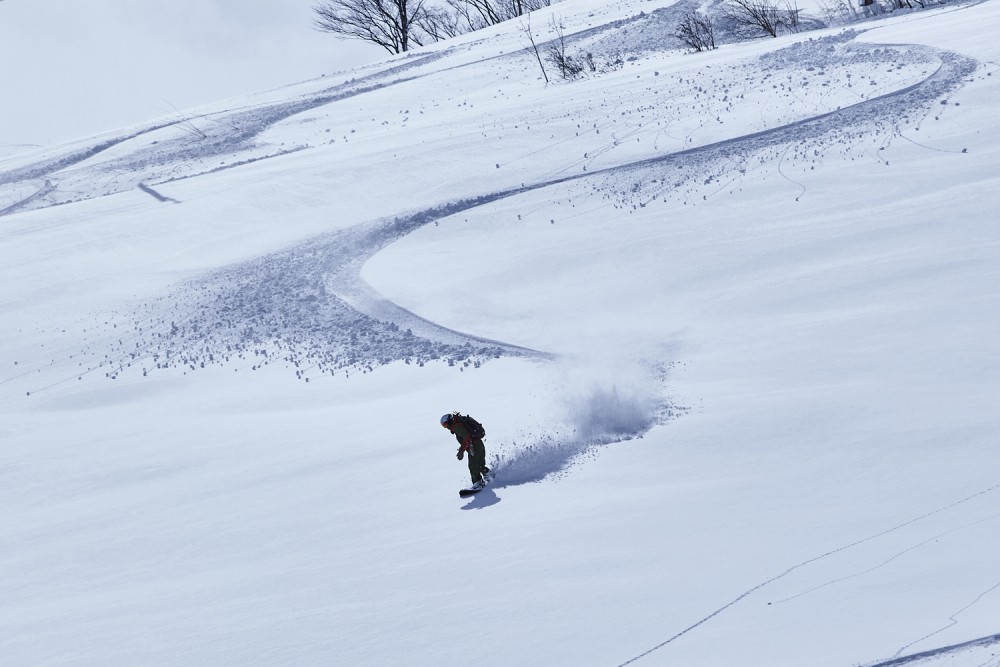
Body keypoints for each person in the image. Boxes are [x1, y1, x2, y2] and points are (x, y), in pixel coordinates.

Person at [440, 412, 489, 487]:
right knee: (480, 464)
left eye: (445, 425)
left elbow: (467, 439)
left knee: (473, 465)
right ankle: (490, 475)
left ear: (449, 421)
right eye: (444, 426)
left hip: (474, 447)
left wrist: (461, 451)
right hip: (479, 445)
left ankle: (478, 483)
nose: (446, 427)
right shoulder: (459, 424)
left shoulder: (457, 426)